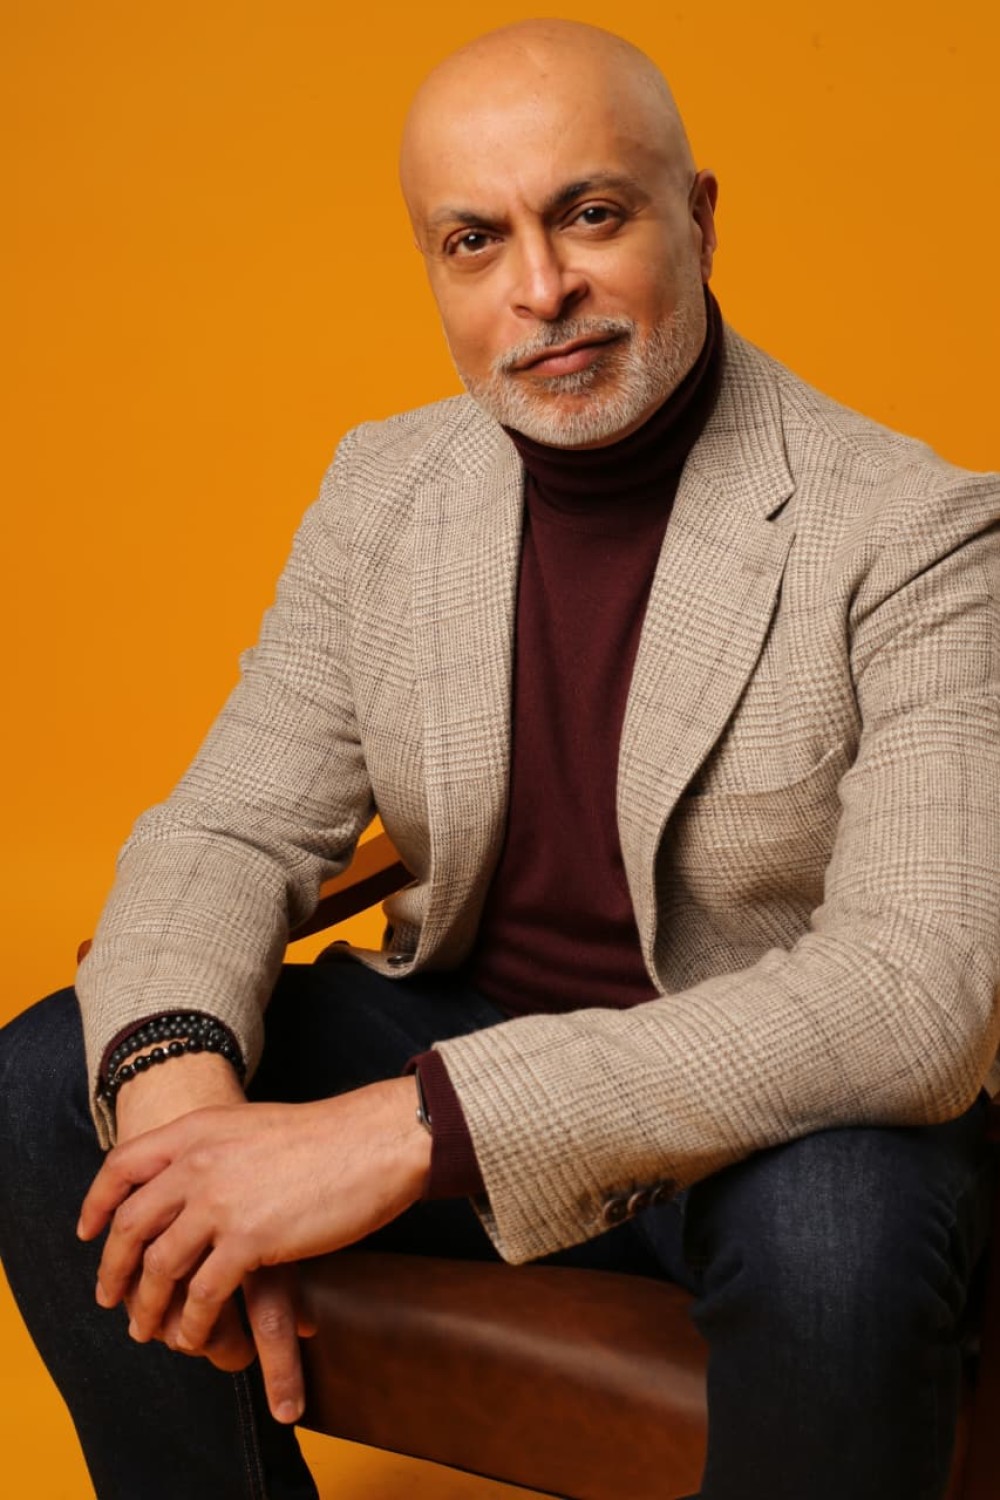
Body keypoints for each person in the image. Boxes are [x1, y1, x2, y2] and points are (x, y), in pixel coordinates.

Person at [2, 17, 998, 1500]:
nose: (541, 289)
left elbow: (918, 992)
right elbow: (225, 829)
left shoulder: (922, 533)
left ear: (699, 217)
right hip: (462, 1015)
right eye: (475, 241)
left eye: (590, 214)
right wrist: (183, 1124)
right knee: (49, 1082)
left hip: (761, 1109)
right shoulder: (384, 489)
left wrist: (415, 1128)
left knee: (841, 1234)